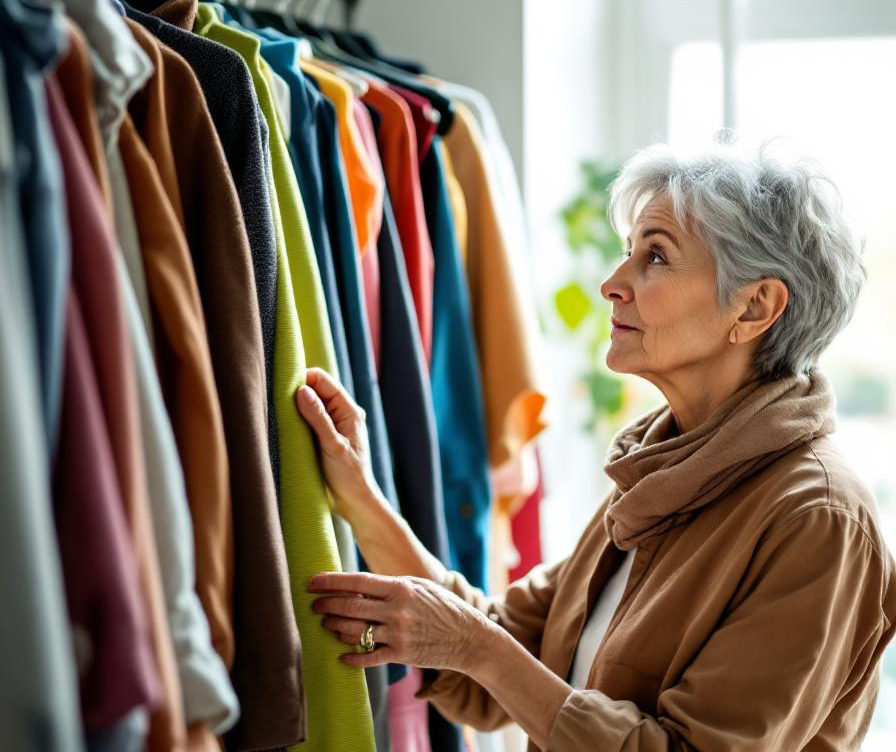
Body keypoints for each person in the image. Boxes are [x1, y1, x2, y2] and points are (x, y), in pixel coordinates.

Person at [295, 139, 896, 751]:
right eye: (628, 253)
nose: (612, 283)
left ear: (754, 305)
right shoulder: (663, 471)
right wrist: (359, 496)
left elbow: (486, 649)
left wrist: (476, 647)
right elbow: (500, 648)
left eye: (656, 257)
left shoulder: (817, 518)